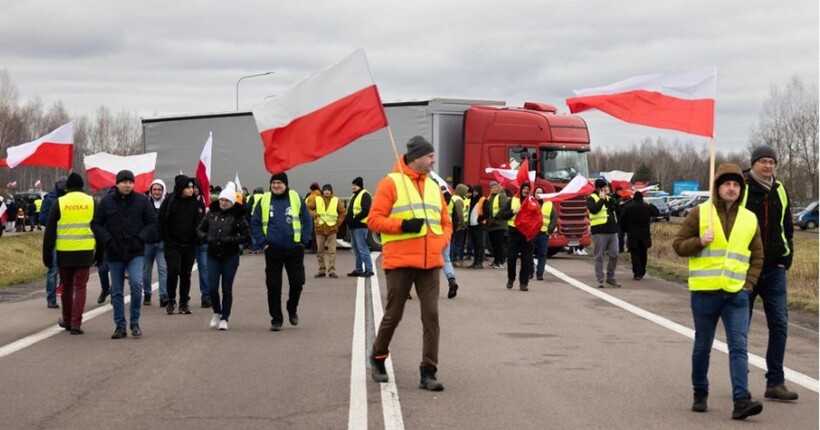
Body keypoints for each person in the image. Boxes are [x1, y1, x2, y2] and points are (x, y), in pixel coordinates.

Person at [672, 163, 764, 420]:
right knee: (703, 345)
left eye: (736, 184)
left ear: (741, 189)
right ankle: (700, 391)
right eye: (727, 184)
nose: (732, 188)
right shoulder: (700, 214)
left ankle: (741, 400)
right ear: (718, 187)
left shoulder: (749, 218)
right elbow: (678, 245)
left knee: (739, 347)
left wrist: (749, 284)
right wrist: (699, 241)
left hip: (737, 294)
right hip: (705, 292)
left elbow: (757, 254)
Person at [367, 135, 452, 391]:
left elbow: (446, 222)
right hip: (401, 261)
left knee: (431, 316)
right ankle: (378, 357)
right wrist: (402, 225)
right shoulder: (390, 183)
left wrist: (441, 242)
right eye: (430, 156)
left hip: (430, 262)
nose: (433, 160)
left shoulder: (433, 187)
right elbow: (374, 220)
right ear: (416, 158)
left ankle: (429, 371)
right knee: (394, 314)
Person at [742, 145, 799, 401]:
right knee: (740, 326)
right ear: (753, 164)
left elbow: (787, 226)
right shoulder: (741, 187)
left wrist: (786, 259)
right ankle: (739, 382)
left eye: (771, 162)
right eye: (763, 161)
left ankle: (775, 383)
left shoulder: (780, 189)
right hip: (746, 269)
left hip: (775, 269)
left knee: (779, 324)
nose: (767, 166)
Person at [91, 170, 158, 339]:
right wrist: (108, 240)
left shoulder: (142, 201)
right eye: (124, 182)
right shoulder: (106, 202)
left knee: (136, 284)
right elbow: (96, 224)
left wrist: (140, 238)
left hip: (135, 251)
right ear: (117, 183)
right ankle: (120, 325)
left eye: (130, 182)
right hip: (115, 252)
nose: (128, 185)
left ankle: (135, 322)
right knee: (117, 291)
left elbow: (153, 224)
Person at [251, 172, 313, 332]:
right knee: (273, 286)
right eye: (273, 183)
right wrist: (263, 243)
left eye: (279, 183)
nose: (276, 186)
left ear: (286, 184)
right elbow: (255, 222)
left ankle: (292, 308)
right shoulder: (264, 200)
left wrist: (303, 242)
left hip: (294, 249)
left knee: (297, 283)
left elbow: (307, 220)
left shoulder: (295, 197)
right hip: (272, 250)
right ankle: (276, 319)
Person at [42, 173, 98, 335]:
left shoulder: (59, 202)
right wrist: (100, 253)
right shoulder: (91, 202)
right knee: (80, 287)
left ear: (67, 187)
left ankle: (66, 319)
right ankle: (76, 323)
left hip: (64, 252)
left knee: (67, 287)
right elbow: (99, 228)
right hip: (85, 251)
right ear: (82, 186)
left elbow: (50, 232)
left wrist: (47, 256)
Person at [198, 182, 250, 331]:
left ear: (232, 202)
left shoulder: (238, 216)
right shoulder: (211, 213)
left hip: (230, 256)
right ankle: (216, 312)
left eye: (227, 200)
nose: (223, 202)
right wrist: (207, 238)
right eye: (222, 199)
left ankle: (224, 318)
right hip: (213, 254)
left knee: (227, 288)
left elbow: (246, 236)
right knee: (213, 287)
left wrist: (231, 240)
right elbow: (199, 230)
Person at [158, 175, 204, 315]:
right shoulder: (170, 201)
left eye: (192, 187)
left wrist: (197, 239)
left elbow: (200, 223)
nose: (191, 190)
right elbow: (161, 221)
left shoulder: (195, 203)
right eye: (187, 187)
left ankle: (184, 302)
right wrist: (166, 238)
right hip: (172, 244)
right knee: (173, 271)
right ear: (181, 188)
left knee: (186, 274)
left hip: (189, 245)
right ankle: (171, 300)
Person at [498, 181, 535, 291]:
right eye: (524, 188)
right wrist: (513, 212)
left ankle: (524, 283)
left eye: (528, 189)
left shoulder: (533, 202)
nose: (526, 191)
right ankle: (511, 278)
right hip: (514, 234)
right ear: (521, 189)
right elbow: (502, 215)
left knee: (526, 259)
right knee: (511, 258)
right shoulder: (513, 200)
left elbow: (538, 217)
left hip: (527, 235)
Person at [39, 176, 67, 308]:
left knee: (66, 269)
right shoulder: (50, 199)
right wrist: (55, 224)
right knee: (53, 269)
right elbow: (42, 218)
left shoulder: (68, 199)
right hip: (55, 237)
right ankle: (51, 298)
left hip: (68, 237)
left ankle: (67, 296)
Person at [308, 183, 346, 279]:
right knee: (320, 252)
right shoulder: (317, 199)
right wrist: (314, 215)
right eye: (325, 190)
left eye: (328, 190)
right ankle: (321, 270)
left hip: (332, 229)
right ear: (322, 191)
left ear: (331, 191)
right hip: (320, 229)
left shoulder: (336, 200)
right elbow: (308, 208)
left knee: (332, 252)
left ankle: (332, 271)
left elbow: (342, 212)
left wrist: (338, 223)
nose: (326, 191)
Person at [619, 191, 660, 280]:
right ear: (642, 199)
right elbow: (657, 212)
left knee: (634, 254)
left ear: (634, 199)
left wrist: (627, 229)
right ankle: (642, 270)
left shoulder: (628, 208)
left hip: (633, 234)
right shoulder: (646, 208)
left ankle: (637, 273)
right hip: (644, 235)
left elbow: (621, 221)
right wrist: (649, 204)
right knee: (643, 253)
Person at [587, 178, 620, 288]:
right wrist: (601, 200)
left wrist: (614, 200)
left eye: (606, 187)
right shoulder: (591, 198)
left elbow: (616, 209)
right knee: (599, 256)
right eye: (604, 187)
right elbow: (594, 210)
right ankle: (600, 279)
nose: (606, 189)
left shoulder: (609, 198)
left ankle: (610, 277)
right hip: (600, 231)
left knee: (614, 254)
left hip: (612, 230)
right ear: (598, 189)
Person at [143, 179, 169, 306]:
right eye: (154, 189)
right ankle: (147, 293)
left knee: (163, 269)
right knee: (146, 270)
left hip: (161, 242)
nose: (157, 192)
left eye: (159, 189)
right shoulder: (145, 203)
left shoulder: (167, 203)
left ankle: (163, 296)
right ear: (150, 191)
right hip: (148, 242)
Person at [346, 177, 374, 277]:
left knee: (362, 248)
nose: (353, 187)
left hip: (360, 226)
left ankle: (369, 270)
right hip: (354, 227)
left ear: (360, 185)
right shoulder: (354, 196)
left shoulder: (364, 194)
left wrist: (354, 219)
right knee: (356, 249)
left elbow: (366, 210)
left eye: (355, 185)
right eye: (352, 185)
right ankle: (359, 269)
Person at [191, 179, 210, 308]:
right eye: (192, 187)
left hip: (202, 242)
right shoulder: (185, 203)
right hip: (189, 242)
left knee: (204, 269)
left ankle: (206, 296)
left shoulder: (205, 203)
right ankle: (183, 297)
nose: (194, 189)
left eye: (196, 187)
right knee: (185, 271)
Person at [533, 186, 557, 281]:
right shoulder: (530, 203)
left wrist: (549, 230)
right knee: (528, 252)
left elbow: (554, 218)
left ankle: (540, 273)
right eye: (537, 192)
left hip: (544, 233)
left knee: (542, 254)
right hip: (532, 232)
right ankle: (530, 270)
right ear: (534, 194)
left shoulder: (549, 204)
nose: (538, 194)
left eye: (540, 192)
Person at [484, 181, 509, 268]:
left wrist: (495, 218)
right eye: (492, 187)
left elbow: (503, 208)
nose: (494, 189)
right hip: (492, 225)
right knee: (493, 244)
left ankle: (500, 261)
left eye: (495, 187)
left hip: (499, 224)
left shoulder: (501, 196)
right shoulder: (491, 197)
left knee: (499, 244)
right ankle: (496, 260)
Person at [466, 184, 488, 269]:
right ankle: (475, 262)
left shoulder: (483, 200)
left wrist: (480, 219)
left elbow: (487, 213)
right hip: (472, 226)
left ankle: (479, 262)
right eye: (474, 191)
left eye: (476, 191)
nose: (474, 193)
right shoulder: (472, 200)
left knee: (479, 245)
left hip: (479, 226)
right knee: (475, 245)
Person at [449, 183, 469, 267]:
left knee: (452, 242)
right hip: (458, 225)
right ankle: (453, 259)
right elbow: (460, 213)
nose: (466, 193)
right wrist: (463, 224)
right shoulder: (458, 200)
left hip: (451, 223)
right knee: (457, 243)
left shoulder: (453, 197)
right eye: (465, 191)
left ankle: (451, 259)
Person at [245, 186, 266, 254]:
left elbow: (248, 207)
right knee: (262, 231)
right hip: (263, 216)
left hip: (254, 215)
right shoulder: (265, 197)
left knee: (254, 232)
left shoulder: (253, 197)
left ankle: (255, 248)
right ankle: (262, 247)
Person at [304, 182, 322, 254]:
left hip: (312, 216)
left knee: (313, 233)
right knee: (317, 233)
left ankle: (314, 248)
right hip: (318, 215)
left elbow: (309, 207)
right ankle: (317, 247)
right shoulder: (320, 195)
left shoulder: (312, 196)